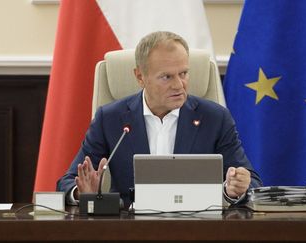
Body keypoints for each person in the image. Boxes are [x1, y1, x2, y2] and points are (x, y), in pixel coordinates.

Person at [57, 31, 262, 206]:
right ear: (140, 77)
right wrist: (81, 193)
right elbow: (67, 182)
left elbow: (252, 181)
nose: (179, 85)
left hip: (198, 227)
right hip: (131, 230)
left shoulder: (215, 118)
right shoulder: (110, 119)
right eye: (167, 77)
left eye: (183, 73)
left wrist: (236, 188)